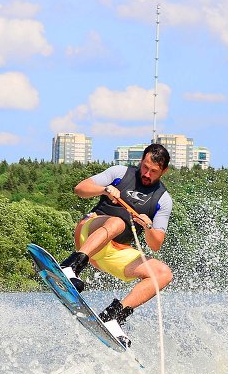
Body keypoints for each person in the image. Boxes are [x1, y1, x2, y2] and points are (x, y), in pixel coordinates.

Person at [59, 142, 174, 347]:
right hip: (90, 235)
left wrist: (148, 227)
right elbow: (80, 189)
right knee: (117, 222)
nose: (147, 173)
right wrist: (104, 190)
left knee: (163, 274)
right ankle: (71, 266)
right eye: (145, 166)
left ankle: (114, 316)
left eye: (153, 171)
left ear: (163, 171)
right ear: (141, 161)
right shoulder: (120, 172)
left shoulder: (163, 200)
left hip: (114, 253)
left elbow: (156, 244)